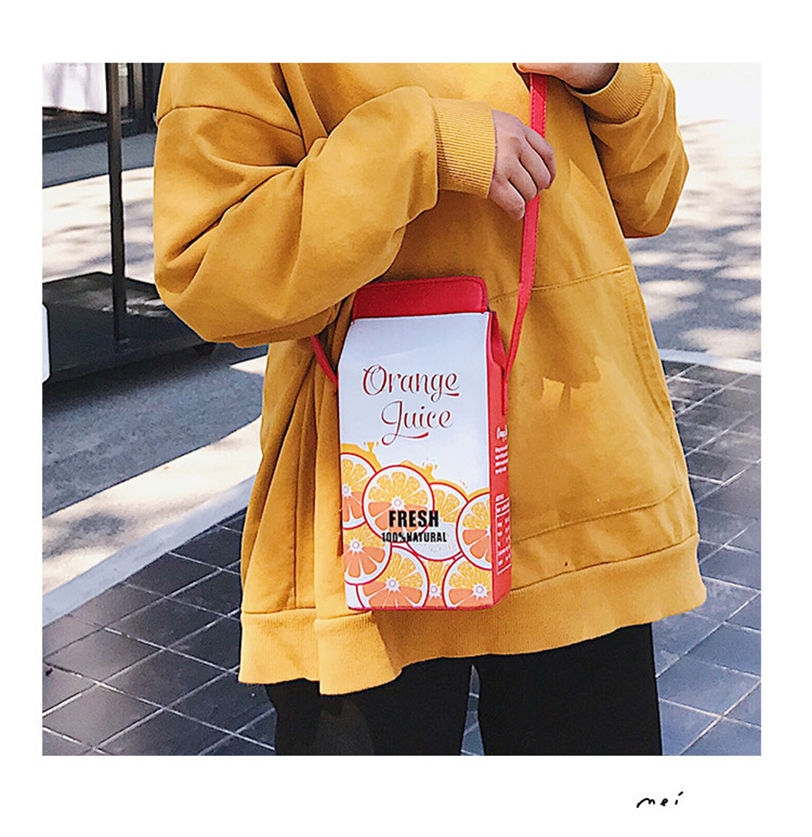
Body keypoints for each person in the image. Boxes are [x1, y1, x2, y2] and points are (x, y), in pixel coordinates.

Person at [153, 62, 706, 755]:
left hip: (580, 507)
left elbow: (653, 196)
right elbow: (210, 267)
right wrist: (423, 145)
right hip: (371, 531)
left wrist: (606, 72)